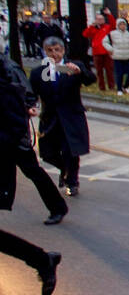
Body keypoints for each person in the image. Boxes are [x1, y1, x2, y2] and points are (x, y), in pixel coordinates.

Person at [1, 55, 60, 295]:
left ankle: (42, 260)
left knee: (34, 171)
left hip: (4, 159)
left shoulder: (4, 88)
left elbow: (14, 129)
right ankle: (42, 260)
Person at [2, 52, 67, 224]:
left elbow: (26, 94)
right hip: (5, 132)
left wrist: (28, 106)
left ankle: (58, 207)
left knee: (33, 171)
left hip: (13, 133)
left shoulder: (9, 68)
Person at [30, 37, 95, 197]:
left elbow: (90, 79)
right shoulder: (39, 72)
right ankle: (64, 169)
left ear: (63, 50)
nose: (55, 54)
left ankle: (72, 182)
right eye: (50, 51)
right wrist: (31, 106)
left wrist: (80, 72)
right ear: (44, 52)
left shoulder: (73, 66)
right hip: (50, 118)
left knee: (70, 151)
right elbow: (31, 93)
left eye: (57, 50)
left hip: (71, 116)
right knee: (47, 153)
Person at [105, 18, 129, 95]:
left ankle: (126, 86)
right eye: (121, 24)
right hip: (118, 56)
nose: (122, 26)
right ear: (118, 25)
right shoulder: (112, 34)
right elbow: (105, 42)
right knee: (119, 73)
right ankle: (119, 89)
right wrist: (111, 49)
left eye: (124, 24)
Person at [83, 12, 116, 91]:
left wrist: (109, 15)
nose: (100, 20)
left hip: (106, 52)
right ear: (96, 20)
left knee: (109, 70)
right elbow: (85, 34)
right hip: (97, 52)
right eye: (99, 19)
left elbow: (113, 25)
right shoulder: (93, 28)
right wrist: (91, 26)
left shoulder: (107, 27)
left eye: (102, 19)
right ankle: (102, 87)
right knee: (99, 71)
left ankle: (111, 86)